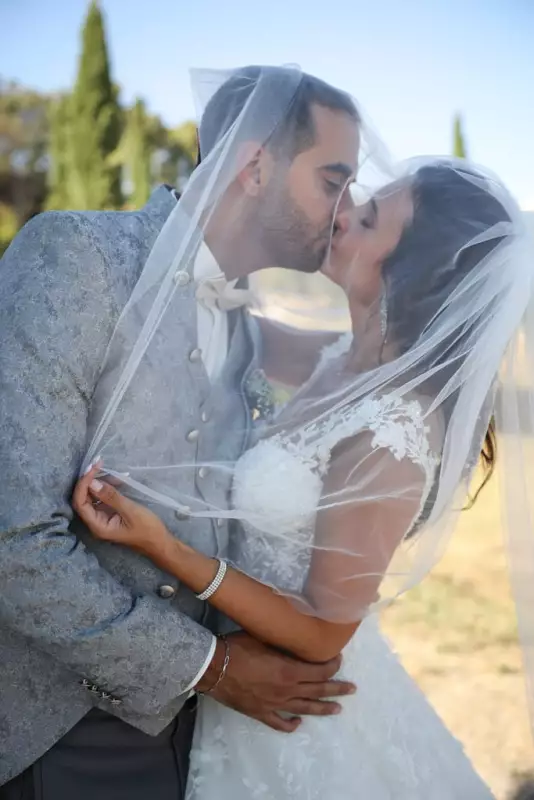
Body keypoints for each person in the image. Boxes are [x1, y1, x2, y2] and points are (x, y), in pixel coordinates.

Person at [74, 160, 533, 798]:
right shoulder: (340, 358)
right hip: (236, 698)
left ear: (411, 274)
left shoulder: (390, 434)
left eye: (369, 219)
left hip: (302, 718)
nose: (344, 212)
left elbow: (322, 630)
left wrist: (166, 548)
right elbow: (228, 316)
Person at [0, 66, 363, 798]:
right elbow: (13, 536)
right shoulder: (78, 257)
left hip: (205, 741)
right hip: (60, 730)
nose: (347, 210)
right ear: (255, 167)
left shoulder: (252, 327)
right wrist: (211, 667)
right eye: (334, 180)